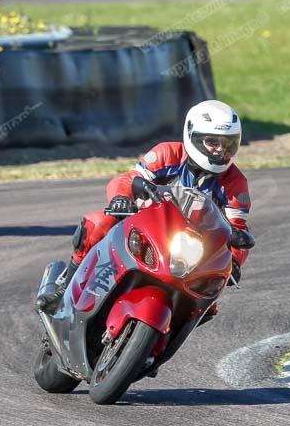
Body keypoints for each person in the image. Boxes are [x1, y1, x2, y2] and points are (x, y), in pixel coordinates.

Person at [36, 99, 253, 316]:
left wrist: (234, 259)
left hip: (192, 249)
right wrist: (121, 199)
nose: (219, 151)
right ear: (192, 135)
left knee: (208, 303)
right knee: (98, 223)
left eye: (227, 144)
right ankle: (64, 291)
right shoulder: (167, 153)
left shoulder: (235, 182)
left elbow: (238, 227)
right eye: (212, 142)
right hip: (145, 227)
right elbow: (128, 179)